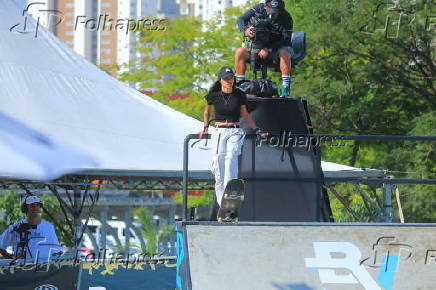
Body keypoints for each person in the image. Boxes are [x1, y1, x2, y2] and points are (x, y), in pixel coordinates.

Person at [198, 66, 266, 211]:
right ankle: (222, 202)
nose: (229, 81)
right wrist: (205, 128)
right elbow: (206, 112)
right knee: (218, 164)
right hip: (218, 131)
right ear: (220, 80)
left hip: (235, 131)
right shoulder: (214, 95)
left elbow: (245, 115)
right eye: (226, 79)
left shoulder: (239, 95)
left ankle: (231, 189)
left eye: (231, 78)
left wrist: (257, 129)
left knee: (231, 157)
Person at [235, 0, 293, 97]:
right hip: (254, 46)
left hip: (275, 48)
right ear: (265, 7)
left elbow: (286, 39)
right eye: (271, 10)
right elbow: (240, 19)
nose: (273, 14)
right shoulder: (257, 8)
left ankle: (285, 87)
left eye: (276, 11)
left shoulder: (286, 18)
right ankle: (241, 85)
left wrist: (268, 48)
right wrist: (245, 30)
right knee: (240, 52)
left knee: (285, 53)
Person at [0, 195, 62, 262]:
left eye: (37, 205)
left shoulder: (49, 227)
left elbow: (56, 251)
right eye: (32, 205)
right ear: (25, 208)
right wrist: (12, 260)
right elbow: (1, 246)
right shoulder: (16, 227)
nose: (35, 208)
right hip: (22, 270)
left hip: (44, 269)